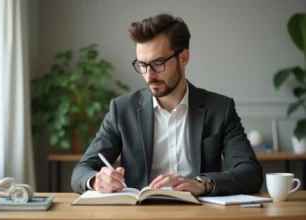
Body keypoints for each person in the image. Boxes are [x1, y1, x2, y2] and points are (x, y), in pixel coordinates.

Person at [71, 13, 263, 197]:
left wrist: (202, 184)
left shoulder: (220, 109)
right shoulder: (122, 110)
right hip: (141, 213)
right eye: (142, 65)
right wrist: (96, 180)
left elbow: (251, 173)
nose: (149, 75)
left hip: (200, 213)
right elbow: (82, 170)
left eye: (158, 63)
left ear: (184, 58)